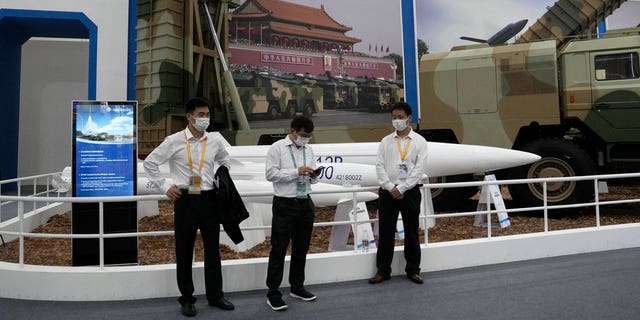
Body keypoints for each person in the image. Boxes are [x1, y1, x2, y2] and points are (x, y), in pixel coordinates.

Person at [143, 97, 235, 317]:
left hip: (209, 199)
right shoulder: (174, 141)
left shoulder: (214, 141)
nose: (205, 119)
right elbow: (150, 163)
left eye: (207, 115)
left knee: (213, 250)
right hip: (185, 200)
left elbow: (225, 161)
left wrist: (219, 177)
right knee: (184, 251)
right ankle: (186, 298)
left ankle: (216, 295)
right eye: (201, 115)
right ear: (189, 117)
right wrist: (165, 186)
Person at [369, 102, 428, 285]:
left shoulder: (419, 142)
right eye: (394, 117)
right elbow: (379, 166)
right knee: (386, 233)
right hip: (388, 192)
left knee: (411, 232)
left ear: (409, 117)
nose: (397, 120)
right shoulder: (386, 141)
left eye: (400, 117)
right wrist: (389, 186)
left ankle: (413, 270)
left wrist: (402, 188)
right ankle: (383, 270)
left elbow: (419, 169)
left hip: (409, 192)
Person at [264, 115, 319, 311]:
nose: (306, 139)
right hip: (284, 203)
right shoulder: (277, 148)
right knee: (278, 248)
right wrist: (296, 172)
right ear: (293, 131)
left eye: (309, 136)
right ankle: (273, 292)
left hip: (305, 202)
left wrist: (313, 176)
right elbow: (270, 174)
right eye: (303, 135)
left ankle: (297, 286)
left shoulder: (309, 149)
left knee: (301, 247)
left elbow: (312, 179)